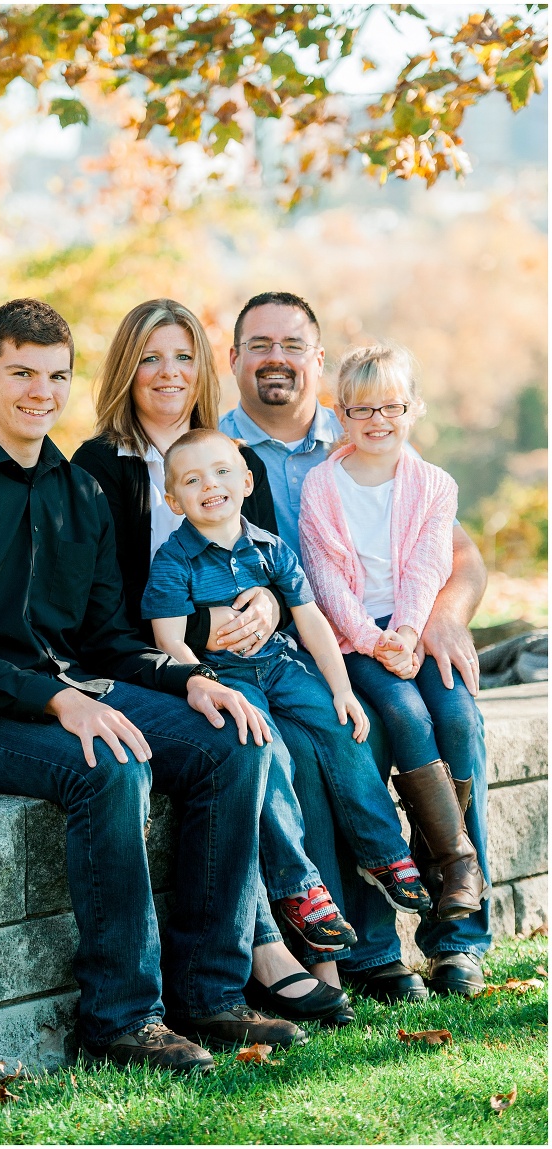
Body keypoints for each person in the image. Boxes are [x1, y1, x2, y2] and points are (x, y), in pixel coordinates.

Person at [0, 297, 307, 1074]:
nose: (39, 392)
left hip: (67, 689)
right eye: (20, 373)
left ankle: (210, 993)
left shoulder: (79, 492)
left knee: (231, 741)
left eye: (55, 376)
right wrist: (60, 699)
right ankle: (121, 1017)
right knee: (111, 767)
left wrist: (192, 679)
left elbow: (108, 639)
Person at [73, 299, 355, 1024]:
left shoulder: (237, 455)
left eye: (183, 356)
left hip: (254, 655)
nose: (169, 373)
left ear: (204, 366)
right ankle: (267, 951)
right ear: (125, 370)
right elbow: (112, 612)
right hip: (151, 661)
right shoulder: (102, 465)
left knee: (324, 736)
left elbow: (263, 558)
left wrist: (263, 598)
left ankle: (344, 951)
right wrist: (203, 630)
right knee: (252, 741)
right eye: (150, 358)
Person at [221, 292, 491, 999]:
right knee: (350, 738)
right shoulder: (220, 450)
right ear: (235, 358)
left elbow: (450, 555)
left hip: (391, 636)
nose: (276, 357)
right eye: (259, 344)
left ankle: (458, 929)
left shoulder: (386, 443)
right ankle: (373, 954)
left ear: (317, 362)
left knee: (458, 715)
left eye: (292, 344)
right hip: (304, 652)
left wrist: (439, 617)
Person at [141, 428, 433, 959]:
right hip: (224, 679)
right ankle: (299, 888)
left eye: (222, 471)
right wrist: (205, 688)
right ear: (172, 499)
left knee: (344, 724)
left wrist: (341, 689)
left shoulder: (271, 548)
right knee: (267, 751)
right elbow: (169, 639)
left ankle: (383, 850)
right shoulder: (173, 560)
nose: (211, 485)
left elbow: (311, 620)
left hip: (280, 666)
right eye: (192, 479)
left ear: (247, 481)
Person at [300, 344, 489, 922]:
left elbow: (429, 565)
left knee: (456, 715)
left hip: (415, 624)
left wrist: (408, 631)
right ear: (340, 414)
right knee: (406, 715)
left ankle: (442, 866)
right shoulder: (321, 486)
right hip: (353, 636)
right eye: (362, 409)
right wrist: (371, 638)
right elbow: (324, 579)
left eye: (392, 406)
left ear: (415, 409)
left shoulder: (434, 485)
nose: (378, 420)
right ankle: (458, 859)